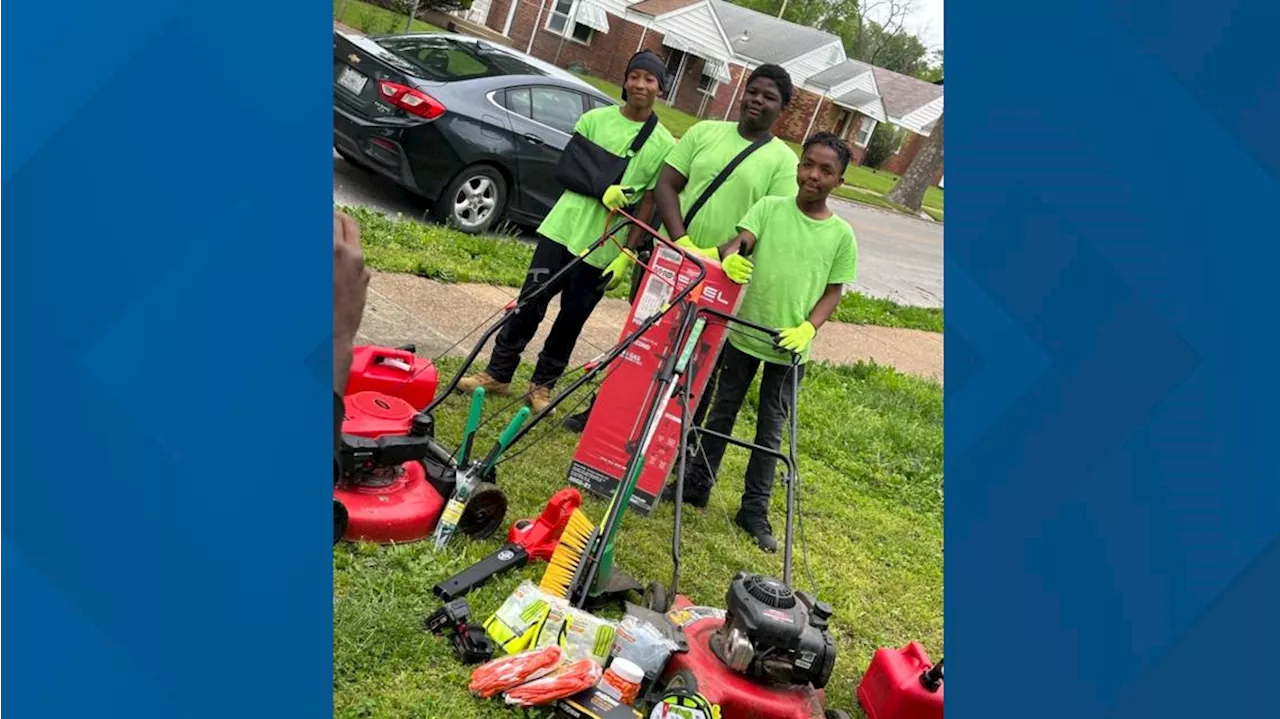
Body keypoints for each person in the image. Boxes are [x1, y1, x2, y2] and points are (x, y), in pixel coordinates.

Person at [562, 63, 800, 432]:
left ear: (782, 109)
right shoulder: (705, 131)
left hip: (723, 274)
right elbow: (666, 185)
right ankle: (604, 412)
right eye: (753, 91)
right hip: (671, 256)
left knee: (698, 358)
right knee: (641, 339)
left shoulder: (784, 162)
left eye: (769, 97)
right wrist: (681, 239)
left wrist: (724, 253)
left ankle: (676, 435)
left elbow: (771, 220)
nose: (757, 100)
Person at [669, 132, 859, 553]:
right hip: (743, 333)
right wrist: (732, 255)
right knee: (721, 412)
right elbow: (744, 241)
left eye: (826, 170)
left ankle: (753, 510)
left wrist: (809, 328)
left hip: (789, 349)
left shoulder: (841, 235)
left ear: (839, 181)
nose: (813, 175)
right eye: (808, 164)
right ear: (797, 166)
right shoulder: (770, 209)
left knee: (769, 432)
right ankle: (696, 485)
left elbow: (833, 291)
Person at [457, 50, 676, 413]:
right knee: (530, 302)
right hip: (563, 229)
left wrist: (627, 254)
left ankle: (542, 385)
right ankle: (498, 372)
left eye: (649, 79)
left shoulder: (664, 144)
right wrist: (601, 187)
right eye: (634, 76)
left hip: (605, 244)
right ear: (625, 81)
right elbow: (568, 168)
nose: (640, 84)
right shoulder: (594, 119)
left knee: (572, 318)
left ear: (660, 88)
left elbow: (650, 203)